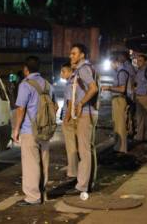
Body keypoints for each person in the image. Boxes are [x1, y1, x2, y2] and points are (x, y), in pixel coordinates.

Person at [13, 56, 56, 206]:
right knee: (43, 162)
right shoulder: (48, 85)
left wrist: (16, 129)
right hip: (46, 130)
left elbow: (20, 109)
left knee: (31, 164)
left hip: (30, 130)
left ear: (26, 69)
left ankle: (33, 197)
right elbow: (54, 106)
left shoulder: (25, 85)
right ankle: (43, 192)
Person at [64, 43, 99, 195]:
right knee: (88, 150)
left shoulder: (84, 69)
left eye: (74, 53)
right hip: (85, 112)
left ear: (82, 55)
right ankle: (88, 182)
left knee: (84, 151)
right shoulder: (82, 69)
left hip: (86, 112)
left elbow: (93, 88)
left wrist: (81, 103)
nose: (71, 56)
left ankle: (83, 185)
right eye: (71, 54)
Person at [102, 54, 129, 153]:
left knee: (120, 125)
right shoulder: (118, 72)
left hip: (119, 100)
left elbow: (122, 89)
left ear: (116, 62)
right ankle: (118, 147)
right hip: (117, 99)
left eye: (111, 64)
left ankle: (122, 149)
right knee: (116, 124)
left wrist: (109, 88)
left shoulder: (121, 72)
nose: (111, 66)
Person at [60, 62, 77, 179]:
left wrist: (66, 119)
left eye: (63, 71)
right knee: (77, 145)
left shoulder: (69, 84)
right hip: (78, 116)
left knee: (71, 146)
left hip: (70, 117)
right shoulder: (77, 81)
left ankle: (73, 171)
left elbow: (69, 103)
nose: (61, 74)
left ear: (70, 71)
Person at [134, 54, 147, 142]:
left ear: (145, 61)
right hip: (138, 97)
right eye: (137, 61)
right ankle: (139, 137)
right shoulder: (138, 71)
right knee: (139, 118)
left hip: (146, 98)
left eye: (140, 61)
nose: (138, 63)